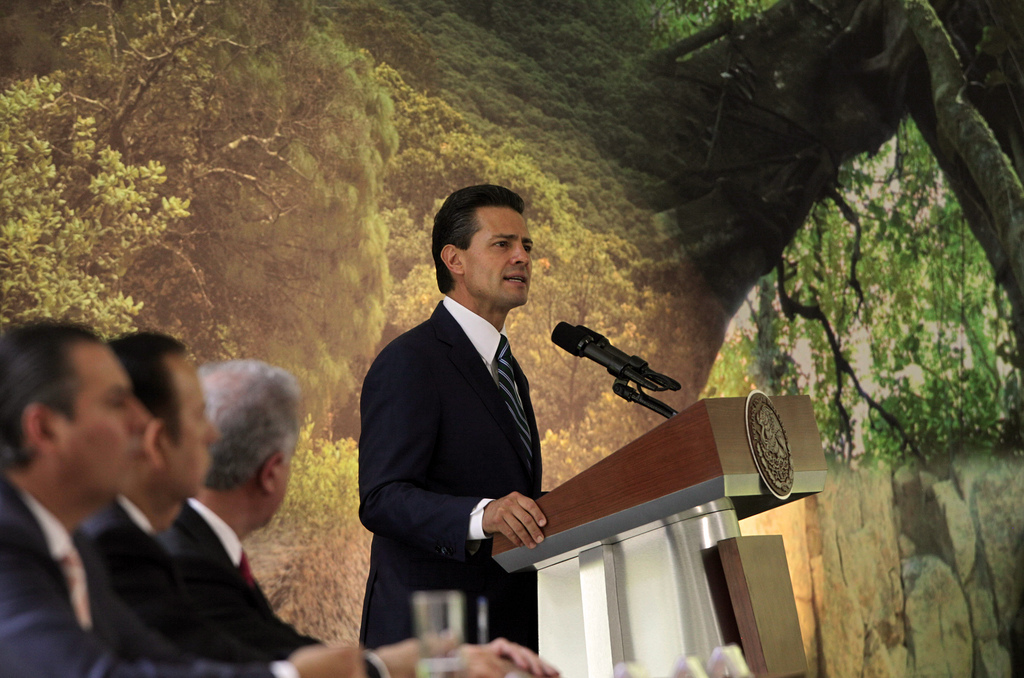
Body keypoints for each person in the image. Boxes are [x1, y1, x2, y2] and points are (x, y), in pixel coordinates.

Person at [0, 323, 361, 678]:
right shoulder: (10, 543)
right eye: (115, 403)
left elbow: (163, 659)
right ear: (44, 429)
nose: (142, 422)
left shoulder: (72, 543)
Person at [158, 359, 556, 678]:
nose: (521, 256)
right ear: (272, 473)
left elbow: (275, 645)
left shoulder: (192, 547)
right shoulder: (183, 562)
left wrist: (444, 657)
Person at [358, 184, 547, 651]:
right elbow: (382, 497)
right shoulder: (411, 359)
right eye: (502, 244)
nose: (521, 257)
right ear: (454, 259)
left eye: (526, 245)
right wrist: (483, 515)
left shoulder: (506, 368)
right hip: (429, 640)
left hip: (502, 634)